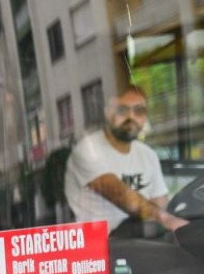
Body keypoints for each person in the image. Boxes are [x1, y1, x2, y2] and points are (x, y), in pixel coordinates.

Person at [64, 85, 188, 236]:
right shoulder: (88, 150)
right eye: (122, 110)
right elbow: (126, 199)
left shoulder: (148, 154)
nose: (131, 117)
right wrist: (169, 221)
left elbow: (160, 204)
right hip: (97, 247)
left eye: (139, 111)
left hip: (141, 240)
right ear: (107, 113)